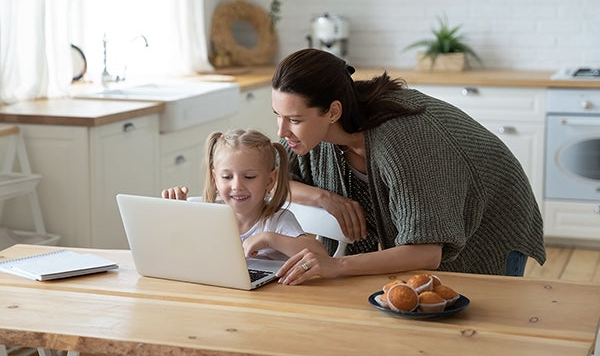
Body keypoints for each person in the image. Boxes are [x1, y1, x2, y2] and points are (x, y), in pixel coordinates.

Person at [270, 48, 546, 285]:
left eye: (294, 120)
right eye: (278, 116)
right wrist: (324, 198)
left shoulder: (405, 140)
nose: (282, 131)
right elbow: (274, 180)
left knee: (479, 332)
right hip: (439, 226)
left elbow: (426, 252)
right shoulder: (312, 137)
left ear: (333, 112)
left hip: (490, 224)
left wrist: (335, 266)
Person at [161, 128, 327, 261]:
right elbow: (174, 252)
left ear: (269, 181)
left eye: (249, 177)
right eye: (227, 177)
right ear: (215, 179)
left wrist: (270, 239)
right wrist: (176, 215)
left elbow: (320, 255)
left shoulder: (277, 221)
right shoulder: (206, 214)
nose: (237, 186)